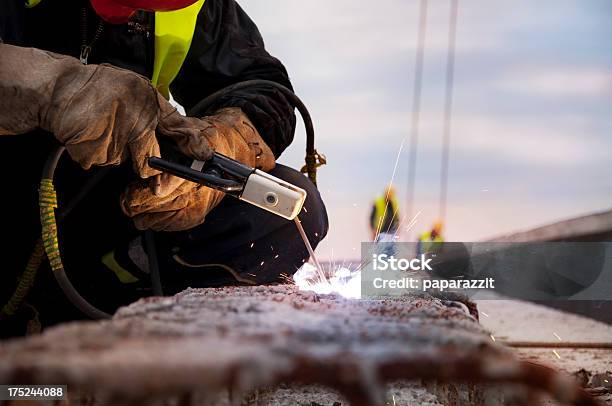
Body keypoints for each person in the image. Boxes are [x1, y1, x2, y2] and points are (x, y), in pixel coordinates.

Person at [0, 0, 328, 334]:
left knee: (290, 213)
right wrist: (53, 89)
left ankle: (111, 299)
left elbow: (262, 85)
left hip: (111, 213)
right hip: (12, 204)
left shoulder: (198, 7)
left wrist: (228, 142)